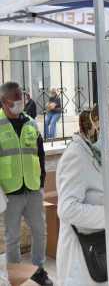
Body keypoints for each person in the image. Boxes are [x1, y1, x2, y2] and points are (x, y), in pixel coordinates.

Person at [56, 106, 109, 286]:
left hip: (102, 245)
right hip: (83, 253)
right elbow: (67, 209)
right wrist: (108, 214)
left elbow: (100, 191)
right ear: (94, 127)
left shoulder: (94, 152)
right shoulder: (76, 156)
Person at [0, 82, 52, 285]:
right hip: (9, 191)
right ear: (4, 102)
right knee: (12, 237)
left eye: (21, 96)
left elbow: (40, 154)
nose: (20, 101)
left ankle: (38, 270)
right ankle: (16, 274)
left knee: (40, 231)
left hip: (32, 189)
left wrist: (41, 182)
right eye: (15, 98)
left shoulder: (31, 122)